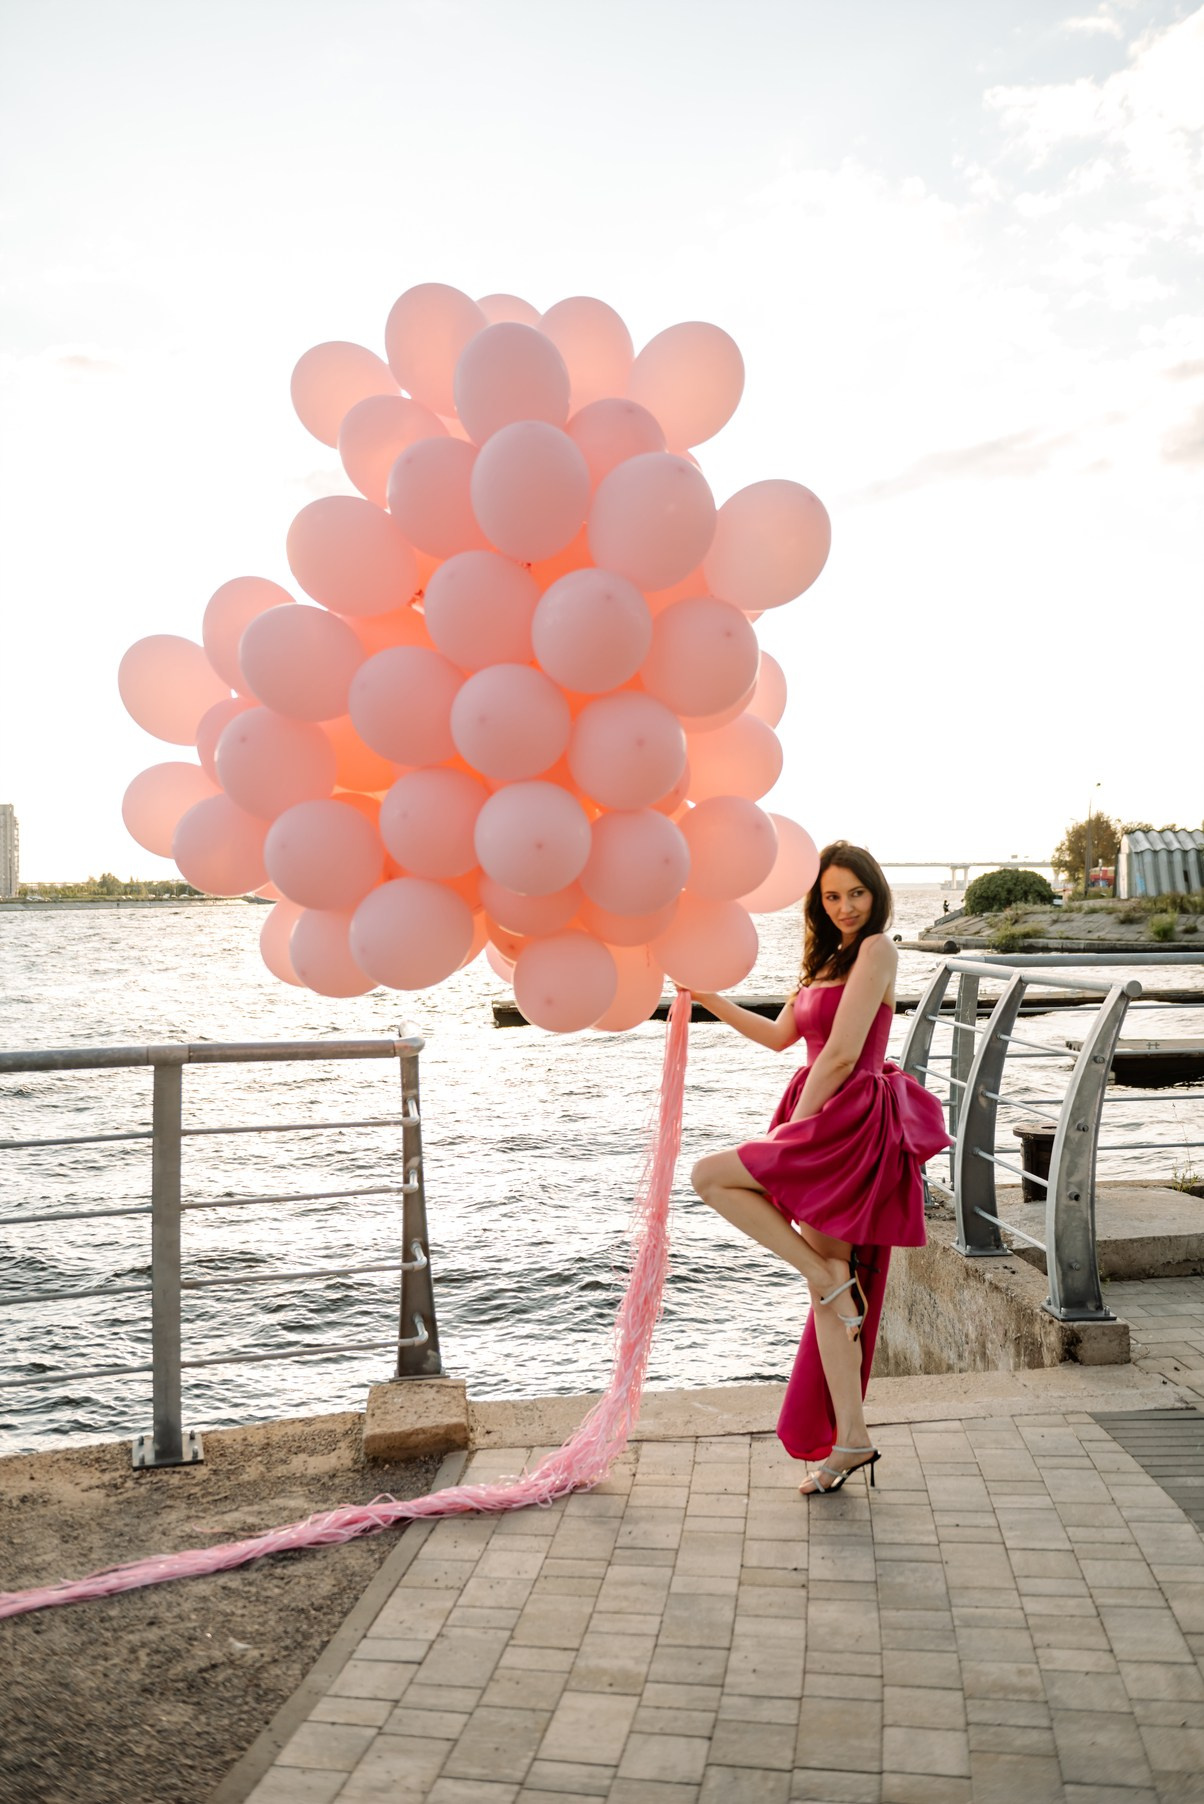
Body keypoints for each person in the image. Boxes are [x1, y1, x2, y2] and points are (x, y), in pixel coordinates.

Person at [687, 841, 950, 1497]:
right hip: (819, 1113)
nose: (845, 907)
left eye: (855, 893)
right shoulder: (823, 961)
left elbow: (837, 1056)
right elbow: (784, 1038)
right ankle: (851, 1439)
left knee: (711, 1175)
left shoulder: (878, 951)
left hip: (844, 1120)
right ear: (819, 901)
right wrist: (708, 998)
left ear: (876, 892)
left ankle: (829, 1277)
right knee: (828, 1293)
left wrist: (792, 1131)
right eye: (832, 896)